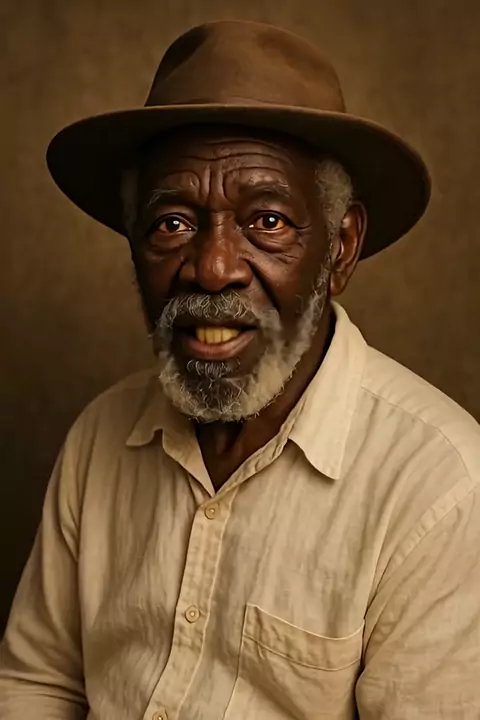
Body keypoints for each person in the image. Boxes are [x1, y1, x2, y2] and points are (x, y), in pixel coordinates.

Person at [1, 19, 479, 720]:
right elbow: (39, 685)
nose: (213, 267)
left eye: (268, 222)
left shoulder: (440, 487)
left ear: (341, 248)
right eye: (172, 223)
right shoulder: (98, 439)